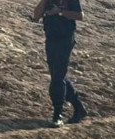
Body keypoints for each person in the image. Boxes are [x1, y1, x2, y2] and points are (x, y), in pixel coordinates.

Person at [31, 0, 87, 128]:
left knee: (57, 76)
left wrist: (60, 12)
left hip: (65, 38)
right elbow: (36, 16)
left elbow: (80, 15)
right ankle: (79, 108)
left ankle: (58, 114)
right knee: (58, 74)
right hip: (51, 38)